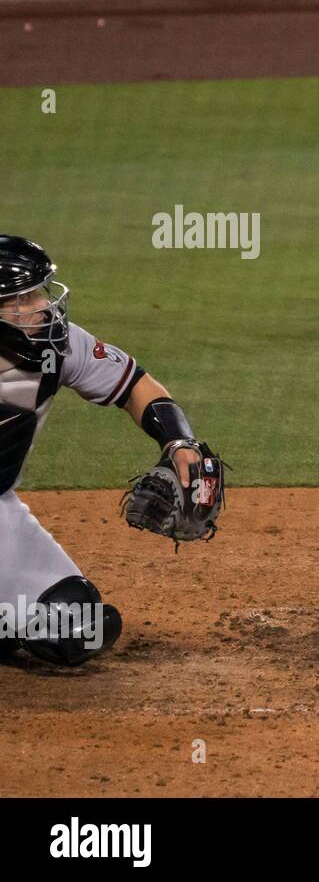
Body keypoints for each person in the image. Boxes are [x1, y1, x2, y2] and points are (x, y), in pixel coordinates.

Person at [0, 236, 208, 667]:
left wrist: (179, 442)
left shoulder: (58, 345)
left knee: (78, 623)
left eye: (39, 291)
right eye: (21, 297)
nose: (41, 305)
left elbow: (136, 386)